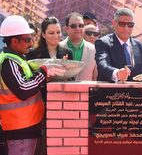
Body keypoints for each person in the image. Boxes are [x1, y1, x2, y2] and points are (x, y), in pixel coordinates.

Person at [0, 15, 65, 155]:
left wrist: (44, 77)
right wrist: (44, 71)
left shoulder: (17, 60)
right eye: (27, 39)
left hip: (25, 126)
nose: (31, 43)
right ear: (14, 41)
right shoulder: (9, 62)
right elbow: (23, 89)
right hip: (20, 129)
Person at [95, 8, 142, 82]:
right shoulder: (103, 43)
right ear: (114, 23)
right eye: (122, 24)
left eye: (130, 24)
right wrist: (117, 73)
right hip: (110, 92)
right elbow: (103, 64)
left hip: (136, 92)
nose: (126, 28)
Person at [60, 12, 97, 81]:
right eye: (74, 26)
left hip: (86, 91)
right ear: (66, 28)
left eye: (81, 26)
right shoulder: (58, 48)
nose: (78, 28)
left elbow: (95, 79)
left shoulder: (93, 50)